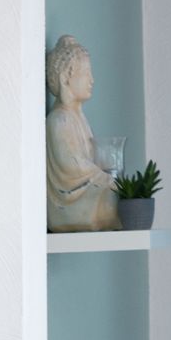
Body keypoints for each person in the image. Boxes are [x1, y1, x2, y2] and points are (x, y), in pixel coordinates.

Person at [44, 34, 121, 232]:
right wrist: (105, 178)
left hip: (88, 191)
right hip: (68, 204)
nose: (92, 80)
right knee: (116, 201)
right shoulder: (58, 120)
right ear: (65, 78)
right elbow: (72, 165)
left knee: (125, 197)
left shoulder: (79, 118)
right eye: (86, 73)